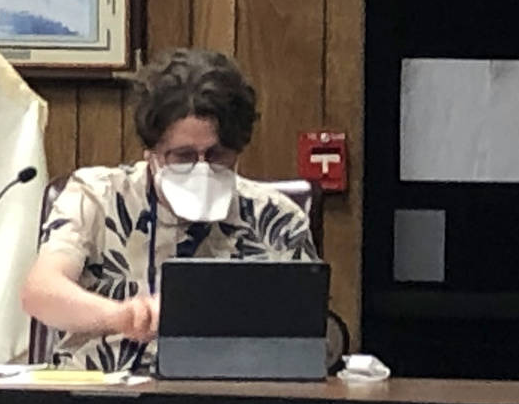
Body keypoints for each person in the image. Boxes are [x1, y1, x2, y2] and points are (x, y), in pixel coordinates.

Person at [21, 48, 318, 371]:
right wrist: (121, 316)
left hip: (232, 399)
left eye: (218, 155)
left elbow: (307, 330)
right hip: (103, 399)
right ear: (152, 151)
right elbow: (41, 291)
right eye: (184, 156)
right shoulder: (95, 196)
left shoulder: (278, 218)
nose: (202, 169)